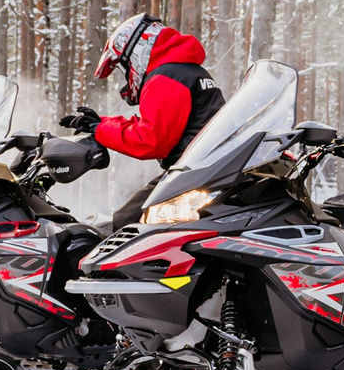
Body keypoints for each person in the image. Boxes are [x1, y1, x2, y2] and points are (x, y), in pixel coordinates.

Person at [63, 13, 225, 225]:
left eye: (124, 66)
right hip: (206, 170)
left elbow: (151, 139)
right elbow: (157, 123)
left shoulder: (166, 77)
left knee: (126, 222)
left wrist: (101, 131)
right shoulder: (187, 71)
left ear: (136, 51)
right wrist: (101, 124)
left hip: (193, 174)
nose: (127, 74)